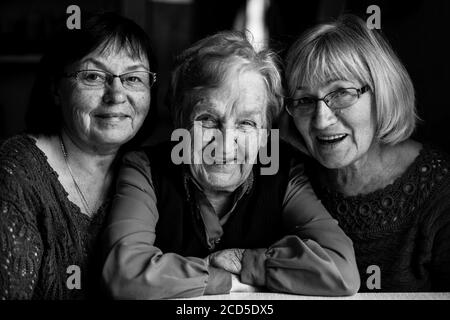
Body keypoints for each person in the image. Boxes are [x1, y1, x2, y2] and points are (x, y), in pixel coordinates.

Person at [102, 31, 360, 299]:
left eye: (246, 124)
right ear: (179, 120)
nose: (225, 145)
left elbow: (341, 271)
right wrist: (221, 278)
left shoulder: (284, 169)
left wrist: (245, 260)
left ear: (265, 133)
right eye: (208, 120)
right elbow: (124, 274)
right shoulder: (143, 168)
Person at [282, 14, 450, 292]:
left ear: (383, 92)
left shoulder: (440, 192)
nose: (321, 120)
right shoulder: (290, 179)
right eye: (305, 100)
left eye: (340, 93)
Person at [0, 12, 156, 299]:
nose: (116, 94)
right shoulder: (14, 172)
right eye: (94, 76)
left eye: (133, 78)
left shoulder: (149, 172)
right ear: (55, 89)